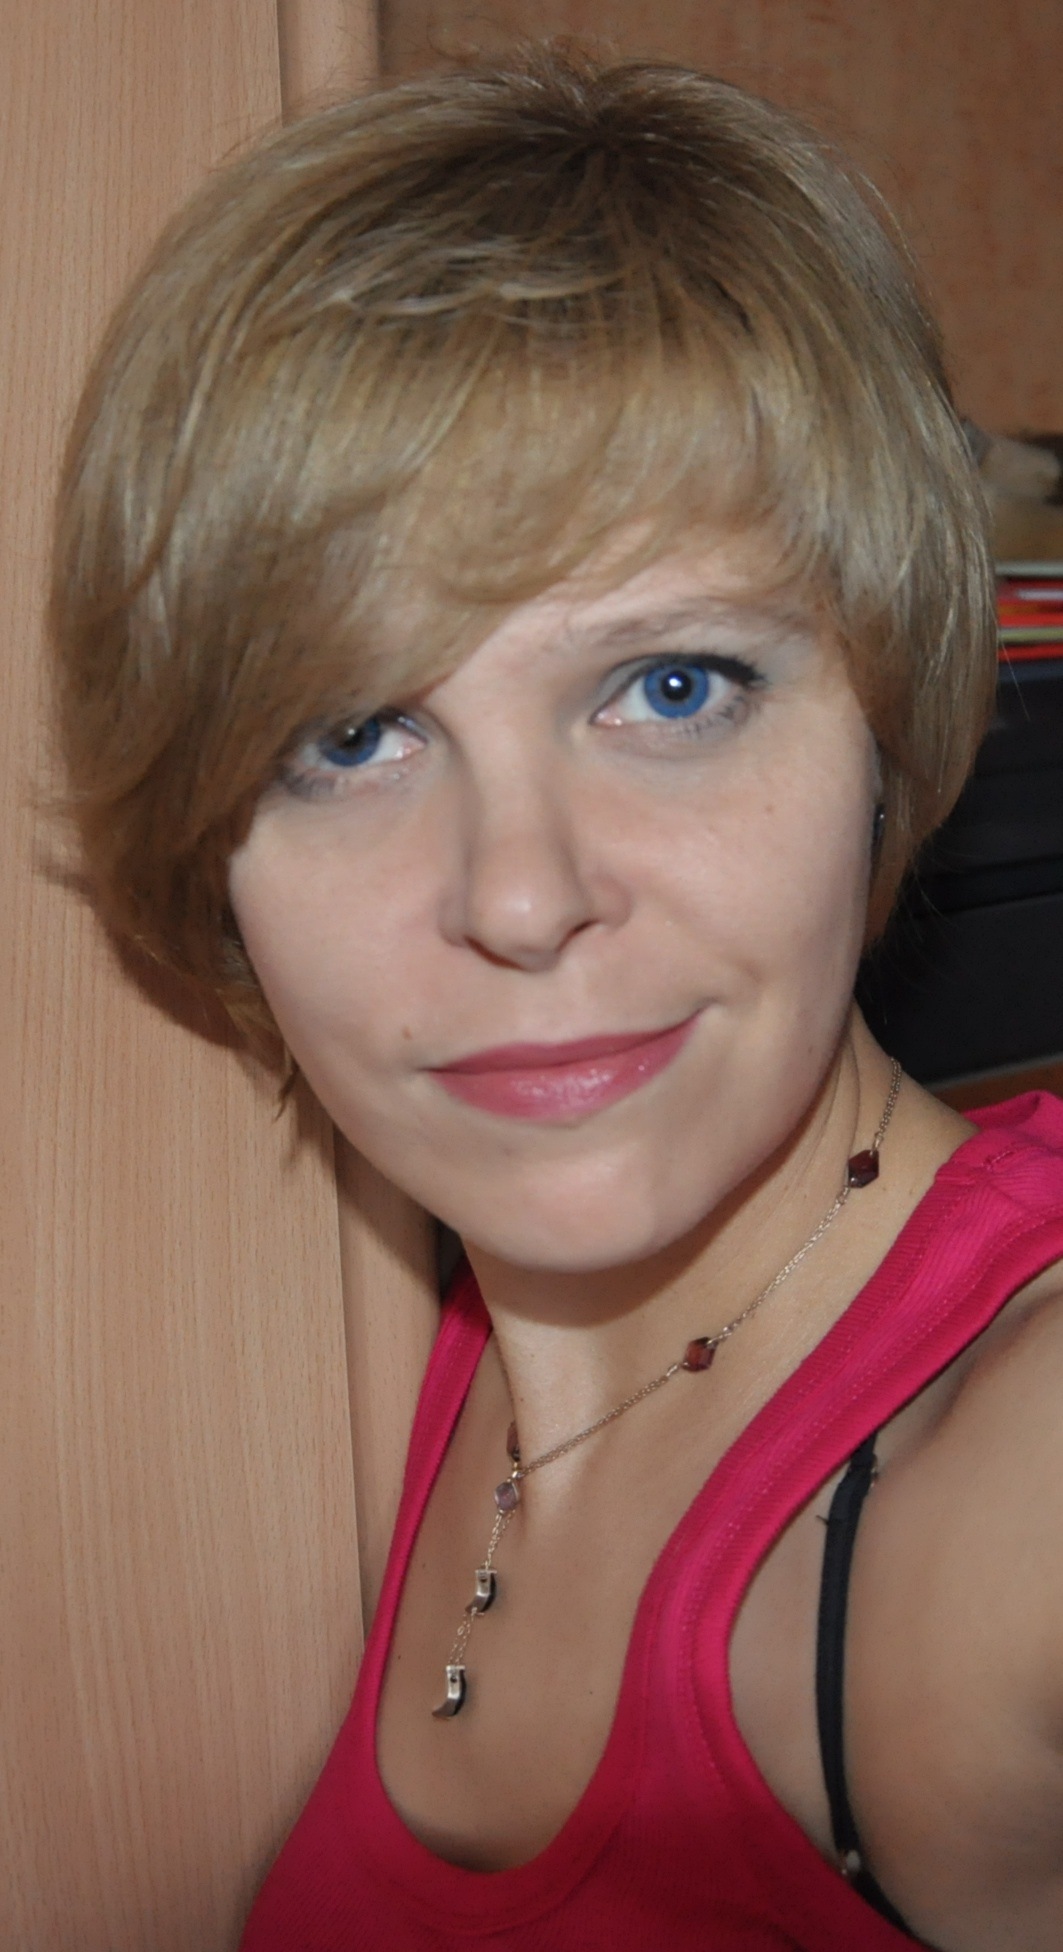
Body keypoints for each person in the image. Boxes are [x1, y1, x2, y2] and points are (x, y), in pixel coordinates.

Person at [51, 46, 1063, 1952]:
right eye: (355, 732)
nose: (520, 896)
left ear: (886, 721)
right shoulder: (395, 1342)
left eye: (673, 688)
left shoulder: (1011, 1482)